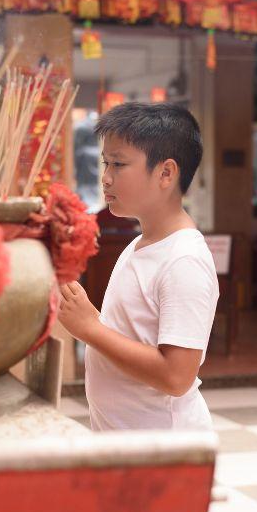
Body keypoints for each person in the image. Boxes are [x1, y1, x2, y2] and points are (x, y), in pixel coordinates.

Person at [58, 102, 218, 432]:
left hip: (166, 451)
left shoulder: (183, 260)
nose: (105, 178)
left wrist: (91, 328)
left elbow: (176, 377)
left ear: (165, 173)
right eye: (106, 163)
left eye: (118, 164)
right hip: (130, 446)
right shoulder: (139, 244)